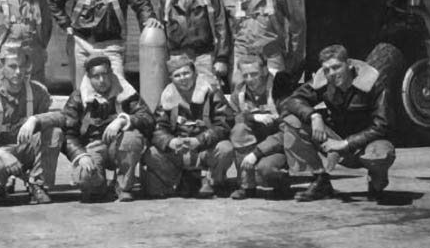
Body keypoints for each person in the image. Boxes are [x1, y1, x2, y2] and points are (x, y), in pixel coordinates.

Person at [281, 44, 396, 202]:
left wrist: (345, 143)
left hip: (368, 144)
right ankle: (321, 181)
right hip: (334, 143)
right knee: (292, 122)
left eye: (336, 67)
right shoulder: (324, 82)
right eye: (327, 70)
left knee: (381, 155)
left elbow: (383, 125)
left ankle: (376, 178)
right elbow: (292, 101)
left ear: (348, 65)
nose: (332, 74)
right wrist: (314, 116)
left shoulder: (375, 83)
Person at [59, 55, 154, 202]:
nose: (102, 80)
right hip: (92, 147)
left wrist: (123, 120)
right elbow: (67, 133)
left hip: (120, 144)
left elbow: (147, 118)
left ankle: (123, 186)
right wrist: (80, 155)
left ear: (111, 73)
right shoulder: (78, 97)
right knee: (84, 178)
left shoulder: (126, 92)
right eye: (96, 76)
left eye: (105, 74)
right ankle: (99, 186)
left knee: (132, 138)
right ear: (88, 78)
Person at [143, 54, 235, 198]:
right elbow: (158, 128)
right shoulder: (167, 96)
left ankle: (213, 181)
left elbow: (224, 122)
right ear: (171, 79)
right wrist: (170, 142)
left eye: (186, 73)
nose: (183, 78)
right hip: (180, 150)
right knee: (151, 154)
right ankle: (182, 180)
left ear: (195, 73)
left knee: (225, 149)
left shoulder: (212, 92)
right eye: (177, 75)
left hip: (205, 147)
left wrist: (200, 140)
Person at [0, 41, 53, 205]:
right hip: (0, 153)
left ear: (27, 68)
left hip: (27, 149)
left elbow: (59, 117)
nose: (18, 72)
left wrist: (35, 119)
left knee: (54, 134)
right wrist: (3, 155)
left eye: (22, 66)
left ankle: (37, 184)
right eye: (12, 66)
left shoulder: (38, 92)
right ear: (2, 67)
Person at [160, 0, 231, 85]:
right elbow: (162, 35)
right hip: (178, 59)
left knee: (211, 97)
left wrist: (222, 58)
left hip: (204, 57)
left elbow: (221, 25)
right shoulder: (165, 1)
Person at [229, 56, 295, 200]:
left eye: (254, 74)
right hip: (253, 141)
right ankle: (247, 186)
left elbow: (288, 129)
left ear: (264, 70)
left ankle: (281, 183)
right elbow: (231, 117)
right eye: (245, 75)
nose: (250, 79)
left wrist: (257, 153)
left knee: (266, 169)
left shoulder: (280, 87)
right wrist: (251, 117)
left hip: (279, 144)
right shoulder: (240, 91)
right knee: (239, 130)